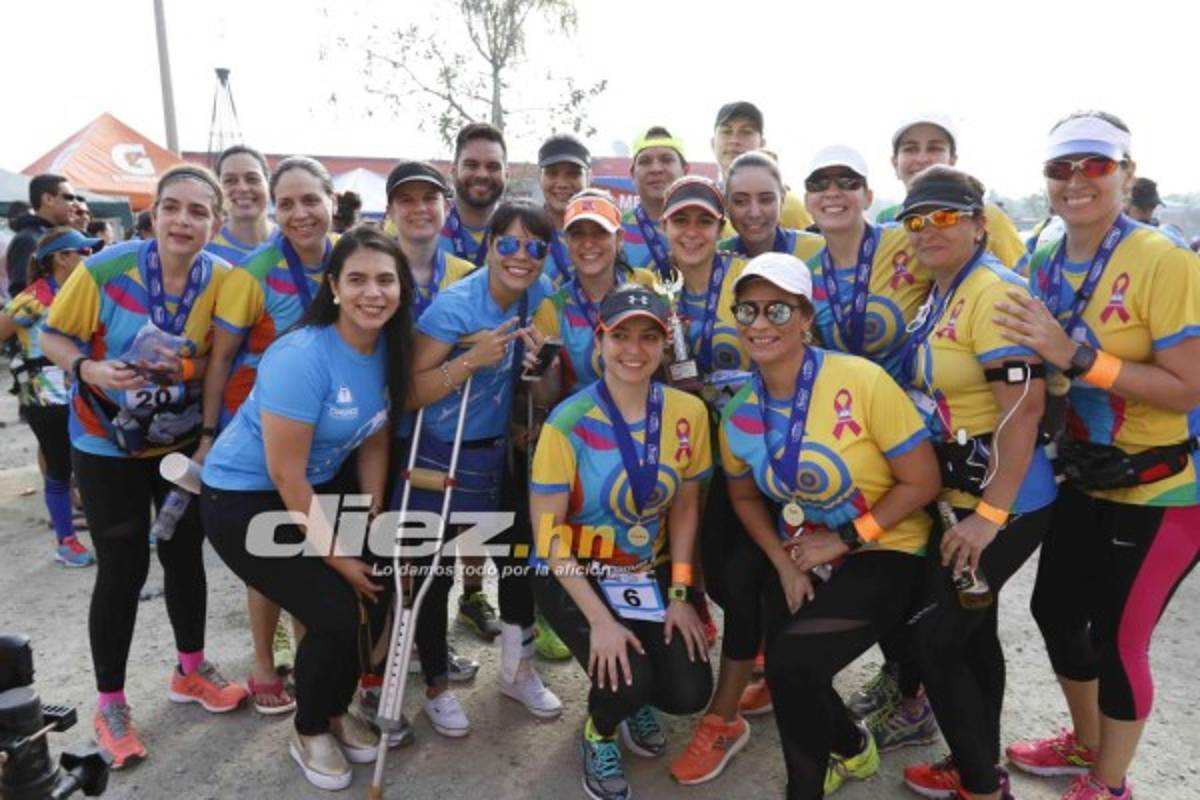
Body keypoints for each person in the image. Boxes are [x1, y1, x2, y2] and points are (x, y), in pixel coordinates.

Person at [994, 111, 1200, 800]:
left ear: (1127, 173)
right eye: (1061, 167)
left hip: (1166, 488)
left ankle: (1109, 784)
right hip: (1087, 475)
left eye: (1097, 165)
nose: (1077, 180)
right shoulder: (1045, 258)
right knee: (1054, 612)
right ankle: (1085, 743)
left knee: (1120, 640)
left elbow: (1189, 386)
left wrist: (1076, 356)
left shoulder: (1163, 259)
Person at [40, 164, 245, 769]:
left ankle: (190, 671)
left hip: (178, 444)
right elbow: (53, 337)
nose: (183, 221)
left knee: (185, 554)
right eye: (172, 207)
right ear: (153, 214)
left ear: (215, 222)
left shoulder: (222, 279)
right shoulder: (106, 269)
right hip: (106, 443)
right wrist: (89, 368)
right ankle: (110, 704)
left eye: (198, 211)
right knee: (123, 567)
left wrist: (206, 429)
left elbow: (219, 360)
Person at [719, 252, 941, 799]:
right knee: (788, 665)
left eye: (777, 309)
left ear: (805, 317)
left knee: (792, 663)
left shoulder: (860, 380)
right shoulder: (739, 411)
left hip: (887, 545)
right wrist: (784, 563)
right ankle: (850, 745)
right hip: (802, 548)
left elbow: (922, 482)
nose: (760, 323)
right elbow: (744, 495)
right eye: (747, 311)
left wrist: (842, 540)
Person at [200, 226, 410, 791]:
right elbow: (285, 475)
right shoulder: (302, 355)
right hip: (244, 497)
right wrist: (340, 558)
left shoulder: (389, 346)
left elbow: (374, 435)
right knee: (336, 610)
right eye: (357, 279)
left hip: (316, 488)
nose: (373, 292)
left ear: (401, 288)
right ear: (333, 287)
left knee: (373, 600)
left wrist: (372, 515)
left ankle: (336, 709)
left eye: (385, 280)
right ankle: (310, 728)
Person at [891, 166, 1055, 800]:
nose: (927, 229)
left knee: (936, 641)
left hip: (1006, 501)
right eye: (915, 219)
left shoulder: (994, 293)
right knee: (973, 633)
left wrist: (990, 516)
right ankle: (975, 762)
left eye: (944, 216)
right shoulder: (945, 290)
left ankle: (982, 787)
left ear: (980, 224)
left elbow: (1024, 410)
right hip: (965, 495)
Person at [530, 284, 714, 800]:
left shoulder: (688, 413)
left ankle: (635, 700)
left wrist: (680, 594)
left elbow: (685, 507)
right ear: (599, 341)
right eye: (621, 336)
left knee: (688, 691)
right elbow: (547, 536)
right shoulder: (567, 422)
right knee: (627, 676)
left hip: (647, 569)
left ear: (664, 344)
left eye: (648, 337)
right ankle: (601, 730)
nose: (634, 349)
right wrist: (600, 621)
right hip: (574, 571)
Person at [401, 200, 561, 737]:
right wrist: (471, 359)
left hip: (496, 451)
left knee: (517, 559)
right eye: (508, 243)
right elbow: (409, 392)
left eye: (535, 247)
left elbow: (541, 385)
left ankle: (518, 672)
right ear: (489, 246)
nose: (521, 256)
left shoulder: (537, 295)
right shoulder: (453, 308)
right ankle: (437, 688)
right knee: (434, 572)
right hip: (438, 452)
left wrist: (536, 368)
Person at [199, 155, 339, 715]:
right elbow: (221, 359)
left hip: (332, 437)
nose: (300, 213)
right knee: (270, 550)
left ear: (331, 201)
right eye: (287, 204)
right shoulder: (253, 272)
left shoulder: (351, 257)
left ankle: (310, 665)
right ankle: (263, 665)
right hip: (264, 433)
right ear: (275, 211)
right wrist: (209, 432)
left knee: (314, 554)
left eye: (311, 200)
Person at [380, 159, 483, 689]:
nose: (419, 209)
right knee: (384, 549)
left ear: (446, 207)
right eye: (407, 200)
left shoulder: (466, 274)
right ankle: (381, 660)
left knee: (432, 554)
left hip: (439, 431)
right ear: (391, 210)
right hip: (380, 431)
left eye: (429, 199)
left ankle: (427, 647)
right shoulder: (376, 265)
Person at [0, 227, 99, 566]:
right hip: (46, 399)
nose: (89, 257)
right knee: (59, 467)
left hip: (87, 392)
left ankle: (112, 532)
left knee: (99, 465)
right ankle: (65, 542)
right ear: (61, 258)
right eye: (83, 252)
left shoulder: (86, 290)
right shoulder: (32, 298)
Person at [533, 189, 654, 398]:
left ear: (619, 238)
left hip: (646, 409)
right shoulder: (553, 308)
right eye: (578, 234)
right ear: (566, 241)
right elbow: (545, 399)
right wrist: (543, 372)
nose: (588, 243)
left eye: (600, 232)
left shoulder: (645, 284)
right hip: (582, 416)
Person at [876, 115, 1026, 270]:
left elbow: (1022, 278)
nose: (922, 159)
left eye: (934, 148)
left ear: (952, 161)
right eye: (910, 149)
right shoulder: (886, 220)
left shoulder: (986, 214)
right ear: (895, 163)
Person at [711, 101, 813, 232]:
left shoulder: (790, 207)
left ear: (762, 144)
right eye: (726, 132)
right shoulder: (702, 206)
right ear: (713, 143)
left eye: (746, 132)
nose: (734, 140)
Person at [720, 150, 823, 263]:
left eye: (766, 200)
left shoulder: (819, 252)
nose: (755, 213)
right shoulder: (715, 258)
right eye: (740, 201)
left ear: (782, 199)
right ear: (726, 205)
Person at [620, 126, 689, 279]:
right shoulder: (613, 230)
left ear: (685, 170)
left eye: (667, 159)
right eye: (645, 161)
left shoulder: (714, 227)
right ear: (632, 174)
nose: (656, 169)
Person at [439, 122, 508, 266]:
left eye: (493, 167)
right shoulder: (426, 227)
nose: (482, 175)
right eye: (471, 165)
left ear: (506, 175)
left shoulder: (519, 233)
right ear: (453, 171)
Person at [5, 173, 79, 294]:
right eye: (69, 198)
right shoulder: (29, 240)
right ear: (48, 199)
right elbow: (22, 292)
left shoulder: (56, 237)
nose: (75, 204)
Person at [538, 133, 591, 287]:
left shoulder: (605, 234)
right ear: (539, 176)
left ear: (589, 177)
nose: (562, 184)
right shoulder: (525, 232)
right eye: (552, 173)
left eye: (573, 174)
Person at [207, 145, 274, 265]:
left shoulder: (293, 243)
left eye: (252, 179)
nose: (243, 188)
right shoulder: (203, 250)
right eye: (230, 180)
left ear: (268, 184)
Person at [1124, 177, 1187, 247]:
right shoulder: (1117, 233)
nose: (1148, 216)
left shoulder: (1159, 234)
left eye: (1152, 209)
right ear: (1126, 206)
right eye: (1142, 209)